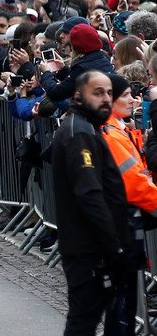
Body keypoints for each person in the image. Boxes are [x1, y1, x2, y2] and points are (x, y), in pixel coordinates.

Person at [51, 70, 131, 335]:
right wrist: (113, 247)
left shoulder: (87, 128)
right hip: (89, 249)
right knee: (82, 322)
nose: (106, 98)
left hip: (93, 246)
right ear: (78, 95)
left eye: (109, 93)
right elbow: (90, 194)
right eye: (97, 93)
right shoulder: (79, 133)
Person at [100, 74, 157, 334]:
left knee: (123, 299)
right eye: (125, 96)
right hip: (123, 223)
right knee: (123, 300)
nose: (133, 100)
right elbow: (134, 184)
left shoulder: (117, 130)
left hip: (123, 221)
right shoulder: (112, 134)